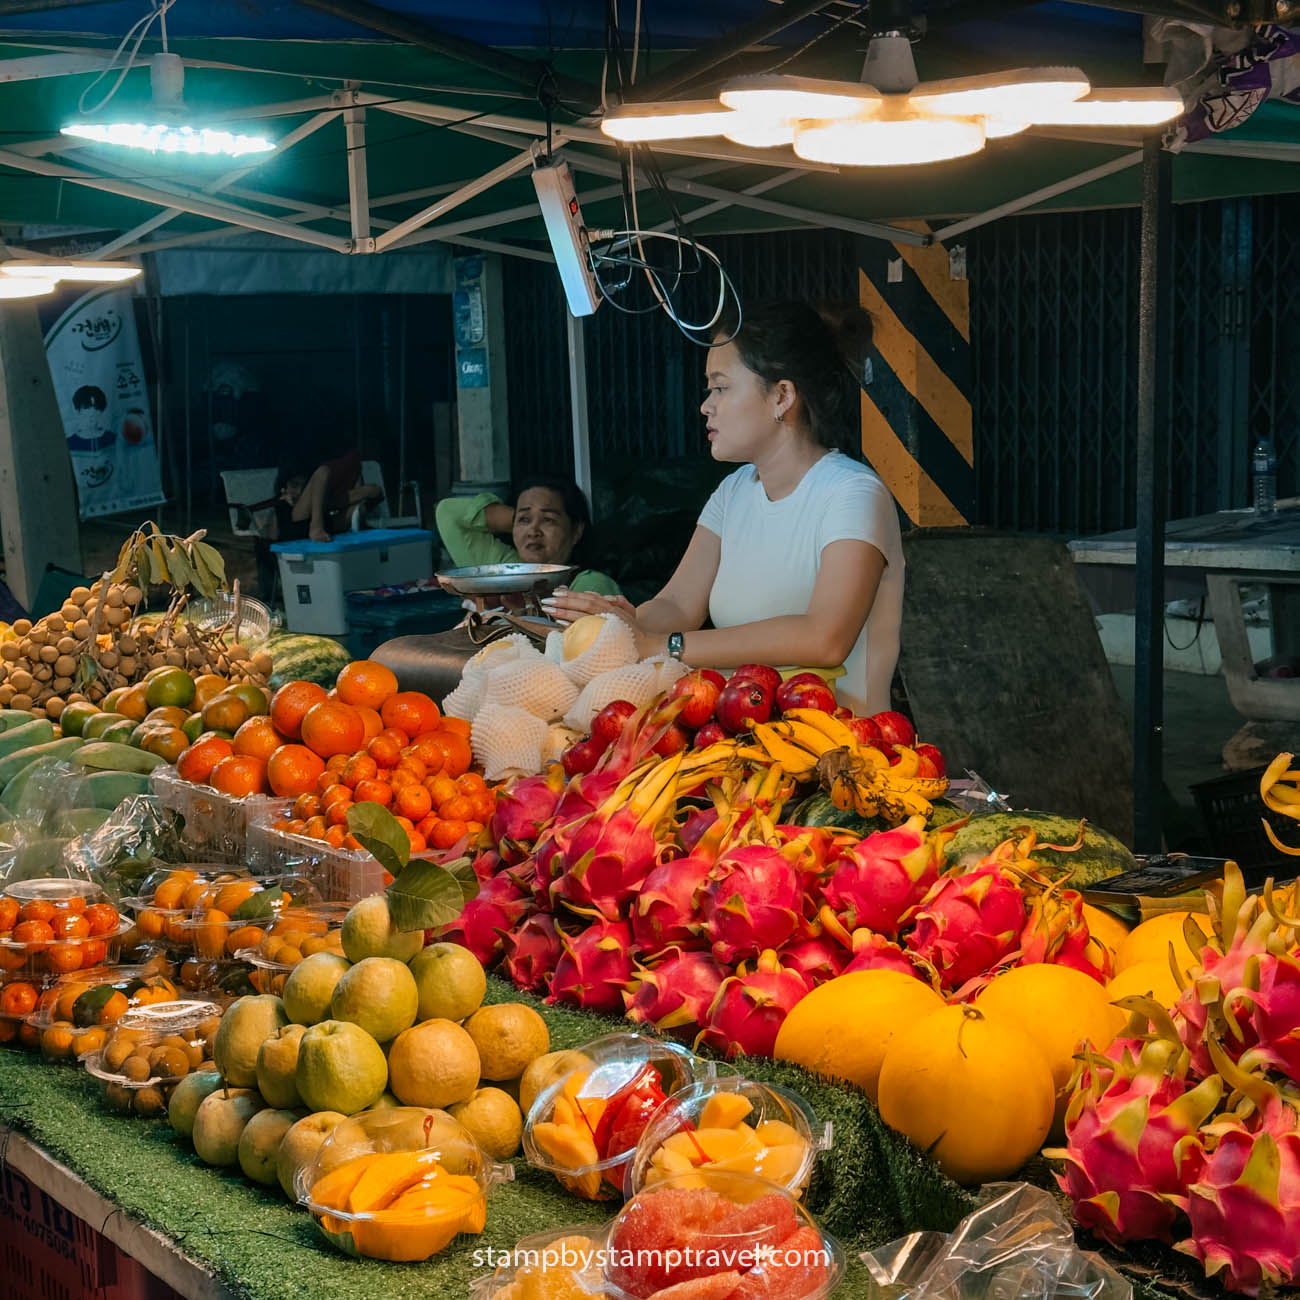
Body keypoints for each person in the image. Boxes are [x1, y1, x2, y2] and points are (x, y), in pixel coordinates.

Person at [545, 301, 903, 717]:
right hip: (746, 745)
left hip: (846, 751)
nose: (705, 406)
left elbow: (824, 637)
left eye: (720, 387)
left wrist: (664, 645)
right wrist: (620, 622)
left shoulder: (852, 493)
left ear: (782, 396)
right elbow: (677, 605)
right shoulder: (734, 492)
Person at [435, 475, 621, 596]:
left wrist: (525, 521)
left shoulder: (592, 585)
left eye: (548, 520)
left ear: (576, 531)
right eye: (524, 520)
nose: (533, 531)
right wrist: (521, 522)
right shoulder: (504, 568)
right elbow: (448, 513)